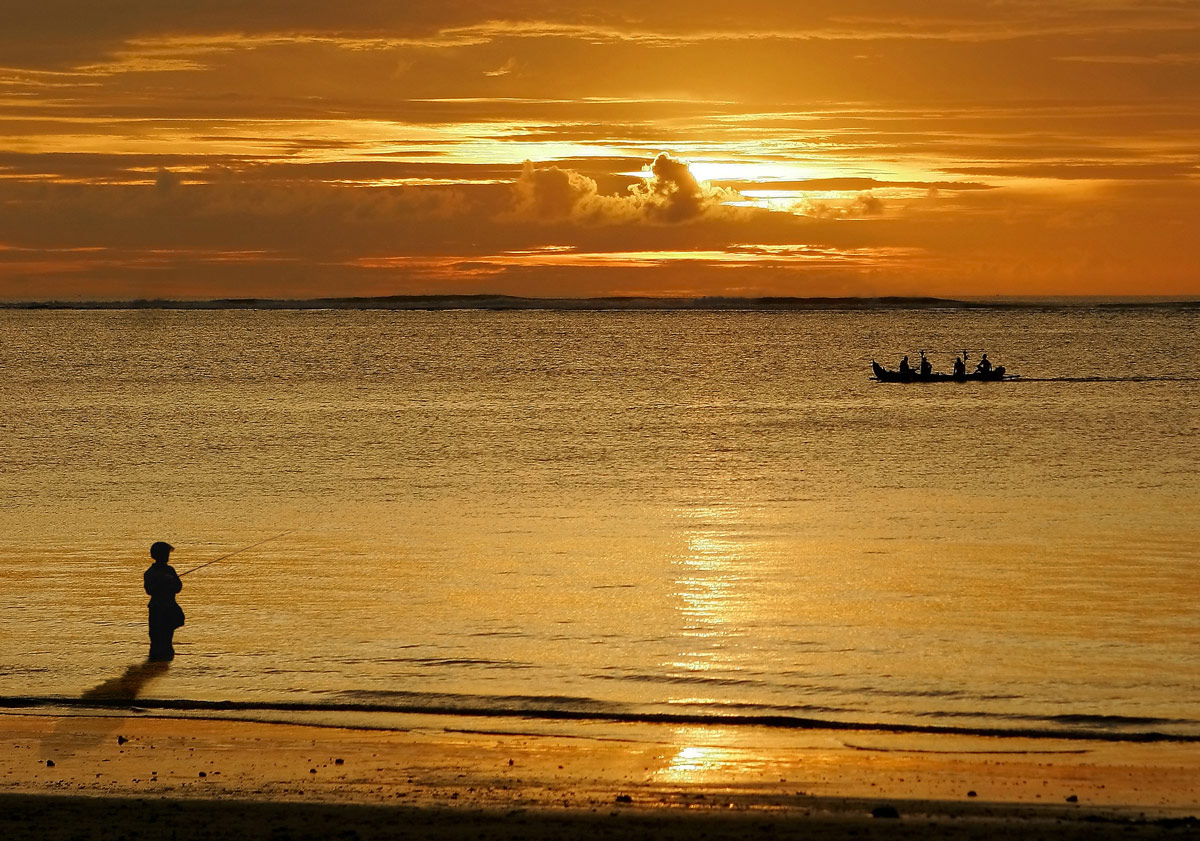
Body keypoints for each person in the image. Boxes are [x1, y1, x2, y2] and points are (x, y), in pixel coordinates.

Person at [144, 541, 184, 661]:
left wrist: (171, 580)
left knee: (167, 639)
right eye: (165, 554)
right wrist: (162, 582)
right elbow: (149, 590)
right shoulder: (150, 573)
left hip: (169, 609)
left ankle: (164, 662)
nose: (167, 556)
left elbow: (178, 587)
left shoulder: (170, 570)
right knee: (156, 639)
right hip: (157, 609)